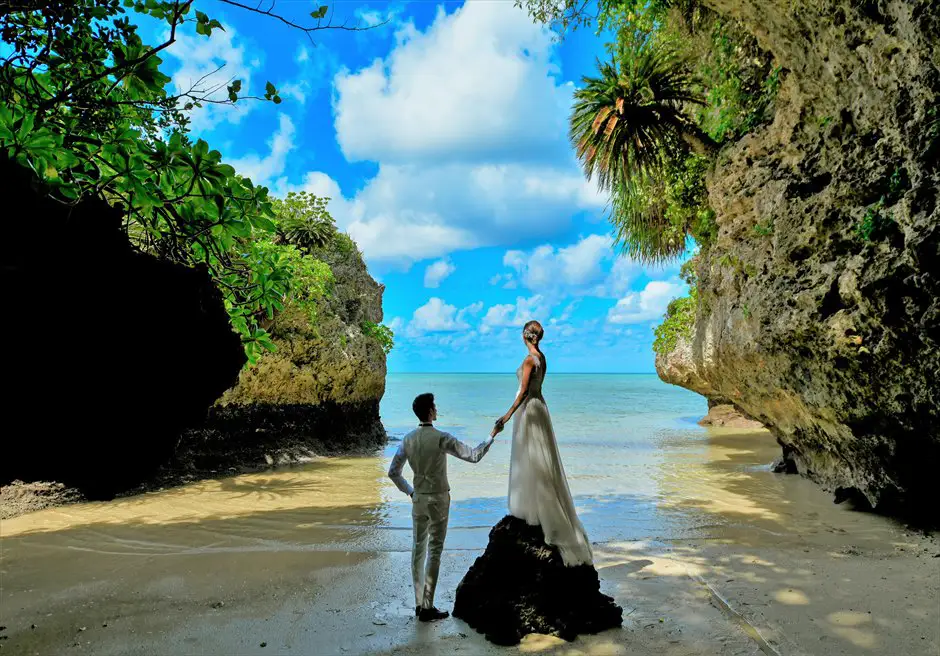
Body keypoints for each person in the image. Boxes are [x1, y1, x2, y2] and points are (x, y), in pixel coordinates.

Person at [388, 392, 502, 622]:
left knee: (418, 549)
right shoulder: (441, 438)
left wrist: (410, 491)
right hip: (438, 499)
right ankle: (428, 606)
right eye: (435, 407)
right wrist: (492, 435)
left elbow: (393, 472)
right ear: (430, 412)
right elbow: (474, 456)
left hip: (418, 498)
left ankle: (419, 604)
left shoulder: (408, 440)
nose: (437, 410)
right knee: (435, 551)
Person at [493, 320, 594, 566]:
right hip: (540, 407)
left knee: (531, 459)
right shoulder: (542, 358)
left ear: (524, 335)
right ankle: (538, 511)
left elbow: (524, 392)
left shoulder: (530, 360)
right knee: (539, 460)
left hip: (529, 409)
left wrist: (506, 416)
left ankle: (538, 514)